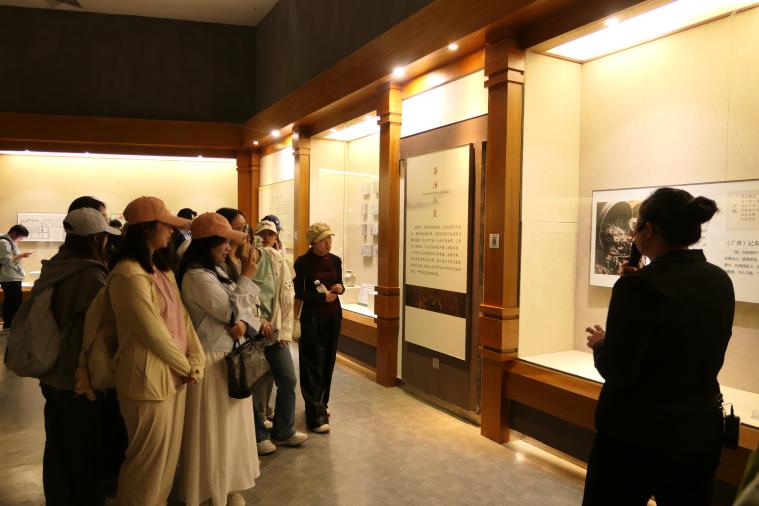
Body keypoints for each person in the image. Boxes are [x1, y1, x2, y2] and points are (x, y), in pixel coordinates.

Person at [582, 188, 735, 505]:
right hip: (699, 430)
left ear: (648, 230)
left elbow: (618, 369)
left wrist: (601, 343)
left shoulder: (637, 287)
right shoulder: (720, 279)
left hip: (635, 436)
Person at [101, 196, 205, 506]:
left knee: (166, 464)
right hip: (146, 380)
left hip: (173, 377)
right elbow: (151, 332)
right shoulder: (128, 274)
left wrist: (195, 358)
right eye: (166, 225)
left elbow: (182, 319)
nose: (172, 231)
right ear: (147, 228)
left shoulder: (162, 269)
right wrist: (187, 365)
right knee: (146, 466)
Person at [176, 212, 262, 506]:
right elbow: (230, 310)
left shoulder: (216, 271)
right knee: (215, 430)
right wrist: (247, 277)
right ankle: (211, 489)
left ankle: (227, 485)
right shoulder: (196, 276)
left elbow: (246, 309)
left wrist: (243, 322)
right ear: (207, 244)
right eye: (223, 242)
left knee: (231, 429)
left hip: (228, 357)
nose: (228, 248)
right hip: (212, 360)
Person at [36, 207, 121, 506]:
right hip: (77, 373)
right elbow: (102, 323)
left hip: (51, 370)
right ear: (95, 239)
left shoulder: (55, 265)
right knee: (83, 445)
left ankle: (58, 498)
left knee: (57, 442)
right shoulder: (90, 274)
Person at [251, 219, 307, 454]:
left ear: (276, 238)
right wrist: (255, 322)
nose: (266, 238)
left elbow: (286, 298)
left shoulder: (279, 260)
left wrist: (284, 331)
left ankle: (284, 431)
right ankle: (258, 436)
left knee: (287, 380)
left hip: (274, 334)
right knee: (255, 386)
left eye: (270, 235)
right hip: (252, 334)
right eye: (261, 234)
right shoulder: (247, 260)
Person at [294, 222, 344, 433]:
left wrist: (340, 288)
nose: (328, 242)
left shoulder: (335, 260)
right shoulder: (302, 262)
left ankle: (322, 402)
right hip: (312, 318)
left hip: (333, 316)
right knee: (311, 362)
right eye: (324, 239)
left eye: (330, 238)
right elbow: (299, 292)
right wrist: (322, 298)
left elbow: (339, 284)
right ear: (313, 242)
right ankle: (315, 414)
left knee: (328, 361)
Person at [0, 224, 31, 330]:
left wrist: (20, 256)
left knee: (15, 301)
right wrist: (22, 255)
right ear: (14, 233)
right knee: (12, 302)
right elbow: (7, 260)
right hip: (9, 278)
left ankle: (12, 324)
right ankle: (9, 324)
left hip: (13, 276)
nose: (20, 240)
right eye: (20, 237)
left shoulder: (10, 242)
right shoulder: (4, 242)